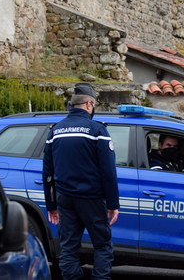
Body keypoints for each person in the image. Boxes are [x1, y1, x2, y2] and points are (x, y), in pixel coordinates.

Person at [43, 83, 119, 280]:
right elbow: (108, 172)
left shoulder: (55, 131)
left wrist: (51, 205)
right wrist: (113, 204)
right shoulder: (97, 130)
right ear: (89, 104)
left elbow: (47, 173)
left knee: (68, 248)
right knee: (102, 245)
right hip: (92, 199)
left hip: (65, 199)